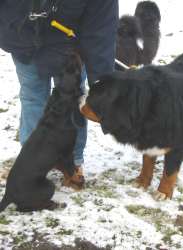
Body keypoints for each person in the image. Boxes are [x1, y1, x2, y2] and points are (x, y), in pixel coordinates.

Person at [0, 0, 119, 189]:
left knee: (75, 100)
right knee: (32, 97)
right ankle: (29, 163)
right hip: (24, 37)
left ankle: (73, 164)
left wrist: (101, 85)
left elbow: (101, 29)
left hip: (70, 45)